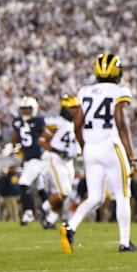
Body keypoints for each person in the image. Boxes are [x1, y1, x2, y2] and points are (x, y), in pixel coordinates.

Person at [60, 53, 137, 253]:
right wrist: (131, 155)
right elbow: (121, 123)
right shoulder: (120, 91)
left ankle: (70, 227)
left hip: (90, 148)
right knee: (122, 195)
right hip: (110, 145)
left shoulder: (85, 91)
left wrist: (85, 146)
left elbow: (77, 125)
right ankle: (124, 242)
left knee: (94, 197)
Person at [38, 94, 81, 229]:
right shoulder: (56, 123)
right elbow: (42, 140)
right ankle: (43, 208)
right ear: (65, 109)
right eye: (71, 108)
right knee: (64, 191)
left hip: (69, 161)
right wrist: (56, 151)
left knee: (64, 194)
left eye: (76, 108)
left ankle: (50, 221)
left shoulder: (75, 124)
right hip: (56, 158)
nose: (74, 111)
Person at [11, 96, 48, 225]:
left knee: (23, 183)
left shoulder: (39, 121)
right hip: (28, 160)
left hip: (37, 159)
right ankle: (50, 215)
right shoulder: (18, 122)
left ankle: (28, 212)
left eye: (28, 109)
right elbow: (15, 139)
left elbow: (46, 136)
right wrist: (15, 149)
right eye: (23, 109)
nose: (25, 111)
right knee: (40, 187)